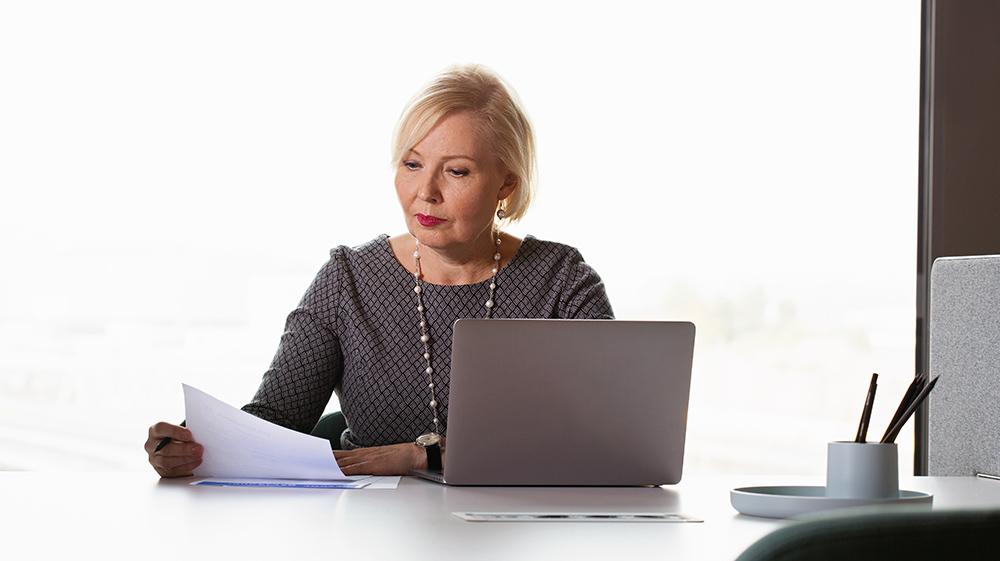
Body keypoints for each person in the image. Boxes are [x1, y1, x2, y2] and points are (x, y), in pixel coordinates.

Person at [145, 63, 614, 478]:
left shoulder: (563, 281)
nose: (425, 192)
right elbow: (273, 422)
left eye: (456, 171)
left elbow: (613, 441)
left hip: (524, 534)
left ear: (506, 184)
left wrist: (421, 457)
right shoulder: (349, 278)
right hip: (368, 531)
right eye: (412, 164)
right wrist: (193, 446)